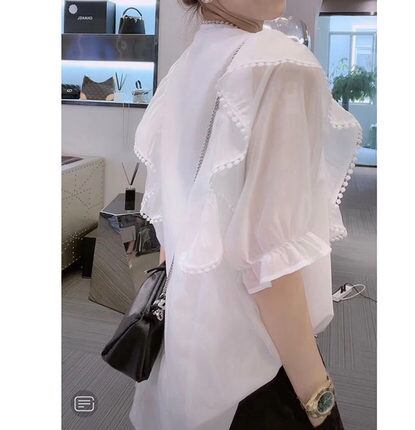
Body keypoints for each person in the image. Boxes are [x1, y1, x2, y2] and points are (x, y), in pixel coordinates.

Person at [131, 1, 361, 429]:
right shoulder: (281, 65)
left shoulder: (183, 68)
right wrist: (319, 403)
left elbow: (170, 228)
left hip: (186, 350)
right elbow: (272, 269)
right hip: (257, 364)